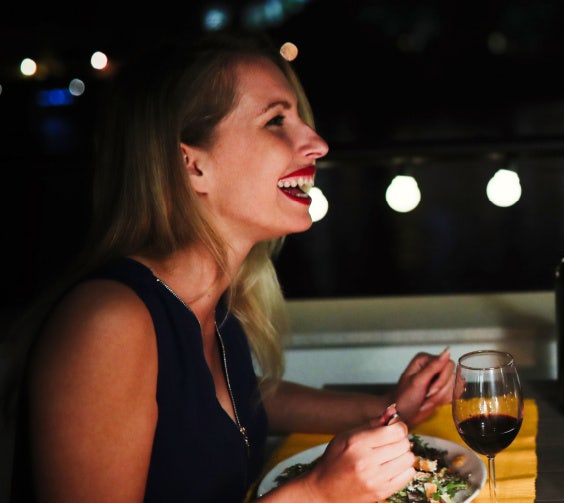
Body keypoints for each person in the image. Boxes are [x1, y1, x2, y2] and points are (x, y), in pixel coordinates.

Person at [1, 30, 455, 502]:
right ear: (191, 165)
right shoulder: (107, 323)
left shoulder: (210, 305)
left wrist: (385, 407)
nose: (317, 143)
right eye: (276, 121)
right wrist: (317, 495)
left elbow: (233, 406)